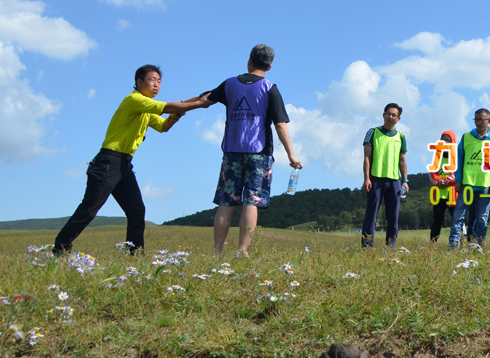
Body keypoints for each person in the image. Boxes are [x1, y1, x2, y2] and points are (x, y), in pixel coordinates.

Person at [53, 65, 211, 254]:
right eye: (152, 80)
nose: (156, 84)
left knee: (137, 211)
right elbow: (167, 107)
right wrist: (198, 103)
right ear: (139, 82)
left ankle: (134, 256)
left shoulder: (145, 109)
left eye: (159, 81)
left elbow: (163, 126)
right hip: (108, 162)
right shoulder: (134, 100)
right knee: (89, 209)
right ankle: (61, 248)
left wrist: (180, 112)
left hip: (124, 165)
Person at [207, 44, 303, 257]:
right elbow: (280, 124)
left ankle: (217, 253)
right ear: (269, 66)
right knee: (252, 201)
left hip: (232, 151)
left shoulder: (230, 84)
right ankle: (242, 251)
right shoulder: (269, 87)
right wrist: (291, 155)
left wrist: (182, 106)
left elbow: (206, 99)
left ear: (249, 61)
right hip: (259, 153)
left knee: (226, 201)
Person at [449, 109, 490, 248]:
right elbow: (459, 160)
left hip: (485, 185)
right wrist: (458, 180)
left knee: (482, 219)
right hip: (467, 185)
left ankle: (478, 246)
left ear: (488, 121)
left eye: (482, 119)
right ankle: (453, 246)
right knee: (458, 217)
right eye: (476, 119)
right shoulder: (466, 137)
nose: (479, 122)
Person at [361, 103, 409, 248]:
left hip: (394, 181)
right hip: (375, 179)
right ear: (383, 115)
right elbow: (367, 157)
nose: (390, 117)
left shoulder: (401, 136)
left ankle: (390, 247)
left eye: (394, 115)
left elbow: (402, 160)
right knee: (371, 215)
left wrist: (405, 180)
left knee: (393, 217)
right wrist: (366, 178)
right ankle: (367, 247)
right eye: (388, 113)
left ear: (398, 118)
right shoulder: (373, 132)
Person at [429, 130, 458, 243]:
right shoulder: (437, 155)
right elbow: (432, 173)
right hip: (439, 194)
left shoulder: (456, 156)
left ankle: (458, 243)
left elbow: (456, 173)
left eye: (448, 139)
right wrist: (438, 182)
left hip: (453, 194)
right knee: (437, 220)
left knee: (457, 220)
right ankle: (432, 244)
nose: (445, 141)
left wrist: (446, 181)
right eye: (443, 139)